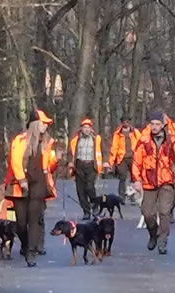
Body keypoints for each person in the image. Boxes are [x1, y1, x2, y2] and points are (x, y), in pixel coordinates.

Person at [6, 109, 59, 266]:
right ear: (35, 124)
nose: (46, 126)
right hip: (19, 184)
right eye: (44, 123)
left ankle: (31, 253)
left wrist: (55, 161)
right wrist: (22, 180)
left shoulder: (48, 143)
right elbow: (15, 161)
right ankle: (24, 244)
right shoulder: (20, 140)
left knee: (34, 219)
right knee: (21, 223)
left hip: (39, 184)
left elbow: (50, 165)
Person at [131, 111, 175, 254]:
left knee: (164, 212)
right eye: (152, 124)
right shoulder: (143, 141)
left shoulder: (171, 140)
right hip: (148, 182)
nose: (155, 127)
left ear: (163, 125)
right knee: (147, 213)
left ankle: (163, 240)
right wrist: (136, 180)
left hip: (166, 181)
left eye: (157, 124)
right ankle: (153, 234)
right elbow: (136, 162)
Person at [70, 118, 103, 215]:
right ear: (81, 129)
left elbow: (103, 151)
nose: (86, 129)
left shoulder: (96, 139)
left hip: (92, 165)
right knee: (81, 190)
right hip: (79, 165)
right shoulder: (75, 140)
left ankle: (95, 205)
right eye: (84, 127)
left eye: (88, 127)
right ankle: (86, 211)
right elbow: (71, 152)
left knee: (90, 187)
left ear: (91, 129)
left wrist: (105, 162)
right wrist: (70, 163)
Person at [109, 116, 135, 199]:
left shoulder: (135, 132)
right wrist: (111, 161)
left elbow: (140, 142)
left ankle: (133, 196)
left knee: (134, 178)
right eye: (124, 121)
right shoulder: (118, 133)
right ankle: (121, 197)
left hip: (133, 157)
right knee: (122, 177)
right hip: (122, 158)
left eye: (127, 121)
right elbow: (114, 147)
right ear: (122, 123)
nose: (126, 123)